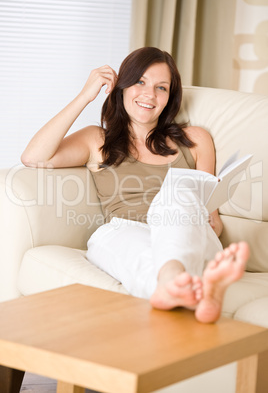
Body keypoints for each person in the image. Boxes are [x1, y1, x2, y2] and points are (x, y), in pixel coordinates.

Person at [21, 47, 249, 323]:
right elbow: (33, 157)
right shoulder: (97, 140)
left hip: (187, 228)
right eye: (140, 81)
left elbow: (214, 219)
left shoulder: (196, 139)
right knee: (121, 242)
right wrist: (85, 96)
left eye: (161, 88)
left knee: (177, 193)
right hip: (125, 230)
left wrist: (209, 222)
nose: (149, 95)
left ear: (169, 98)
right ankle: (188, 287)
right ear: (122, 87)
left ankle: (175, 283)